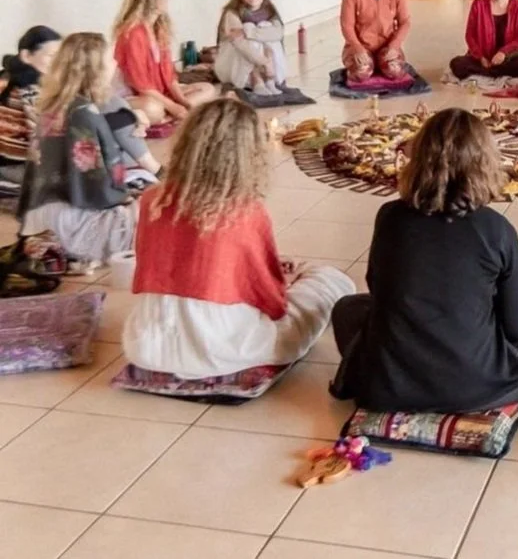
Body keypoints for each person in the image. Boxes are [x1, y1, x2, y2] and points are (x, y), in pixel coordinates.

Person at [330, 108, 518, 413]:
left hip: (388, 386)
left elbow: (378, 289)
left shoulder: (389, 216)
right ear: (485, 164)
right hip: (477, 388)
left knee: (347, 308)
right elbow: (516, 329)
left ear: (417, 159)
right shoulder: (496, 229)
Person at [123, 99, 355, 378]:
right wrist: (287, 285)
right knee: (332, 281)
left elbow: (166, 264)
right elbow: (269, 298)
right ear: (248, 154)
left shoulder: (152, 199)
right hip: (226, 350)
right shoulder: (245, 211)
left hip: (147, 346)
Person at [19, 33, 138, 263]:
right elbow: (97, 181)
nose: (116, 64)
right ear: (95, 70)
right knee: (151, 211)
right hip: (71, 224)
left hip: (39, 215)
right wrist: (126, 198)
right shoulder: (84, 113)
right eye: (110, 60)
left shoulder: (54, 104)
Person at [112, 0, 216, 124]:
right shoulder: (132, 33)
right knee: (152, 108)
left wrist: (181, 101)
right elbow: (140, 85)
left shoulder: (159, 29)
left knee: (207, 89)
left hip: (159, 94)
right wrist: (172, 106)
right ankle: (165, 115)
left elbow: (169, 75)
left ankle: (167, 116)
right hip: (137, 96)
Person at [0, 26, 61, 188]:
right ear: (26, 56)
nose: (57, 63)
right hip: (16, 166)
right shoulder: (31, 88)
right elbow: (43, 136)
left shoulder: (5, 77)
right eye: (51, 56)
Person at [215, 0, 287, 96]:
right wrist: (265, 62)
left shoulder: (269, 10)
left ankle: (269, 81)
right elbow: (241, 44)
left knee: (264, 27)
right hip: (235, 66)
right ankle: (257, 80)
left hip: (266, 65)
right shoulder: (231, 13)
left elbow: (278, 33)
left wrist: (249, 32)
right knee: (248, 26)